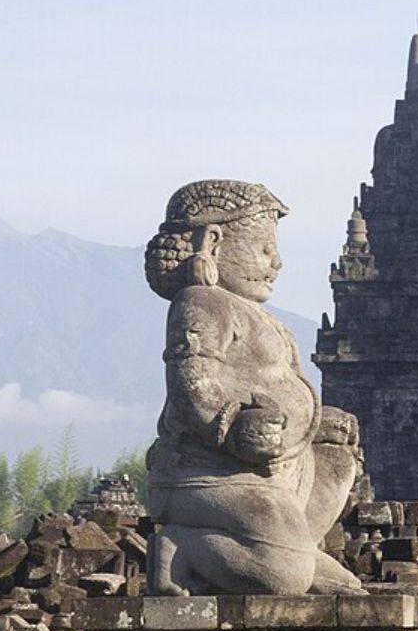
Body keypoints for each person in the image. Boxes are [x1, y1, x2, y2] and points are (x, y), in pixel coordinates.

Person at [141, 179, 365, 596]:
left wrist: (322, 425)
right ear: (213, 242)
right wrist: (231, 424)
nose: (276, 263)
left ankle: (294, 549)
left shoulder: (269, 320)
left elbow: (287, 384)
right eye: (264, 248)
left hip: (281, 471)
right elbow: (192, 387)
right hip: (211, 473)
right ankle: (182, 547)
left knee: (336, 462)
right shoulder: (200, 302)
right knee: (283, 579)